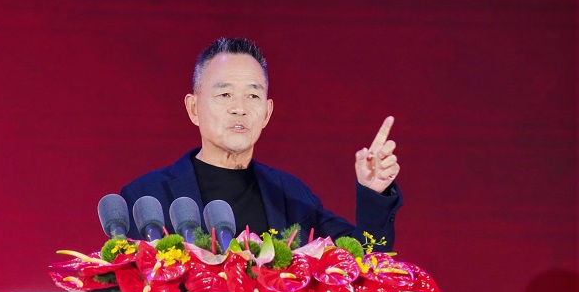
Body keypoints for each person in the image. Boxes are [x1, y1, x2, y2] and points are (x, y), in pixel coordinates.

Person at [121, 37, 402, 250]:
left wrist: (373, 194)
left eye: (253, 96)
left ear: (267, 113)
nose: (240, 108)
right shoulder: (146, 197)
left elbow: (364, 257)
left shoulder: (293, 196)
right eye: (225, 94)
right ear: (193, 108)